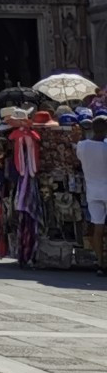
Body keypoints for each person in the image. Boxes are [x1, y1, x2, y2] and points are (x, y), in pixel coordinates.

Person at [76, 117, 107, 273]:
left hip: (93, 191)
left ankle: (100, 262)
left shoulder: (82, 146)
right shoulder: (105, 147)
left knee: (98, 228)